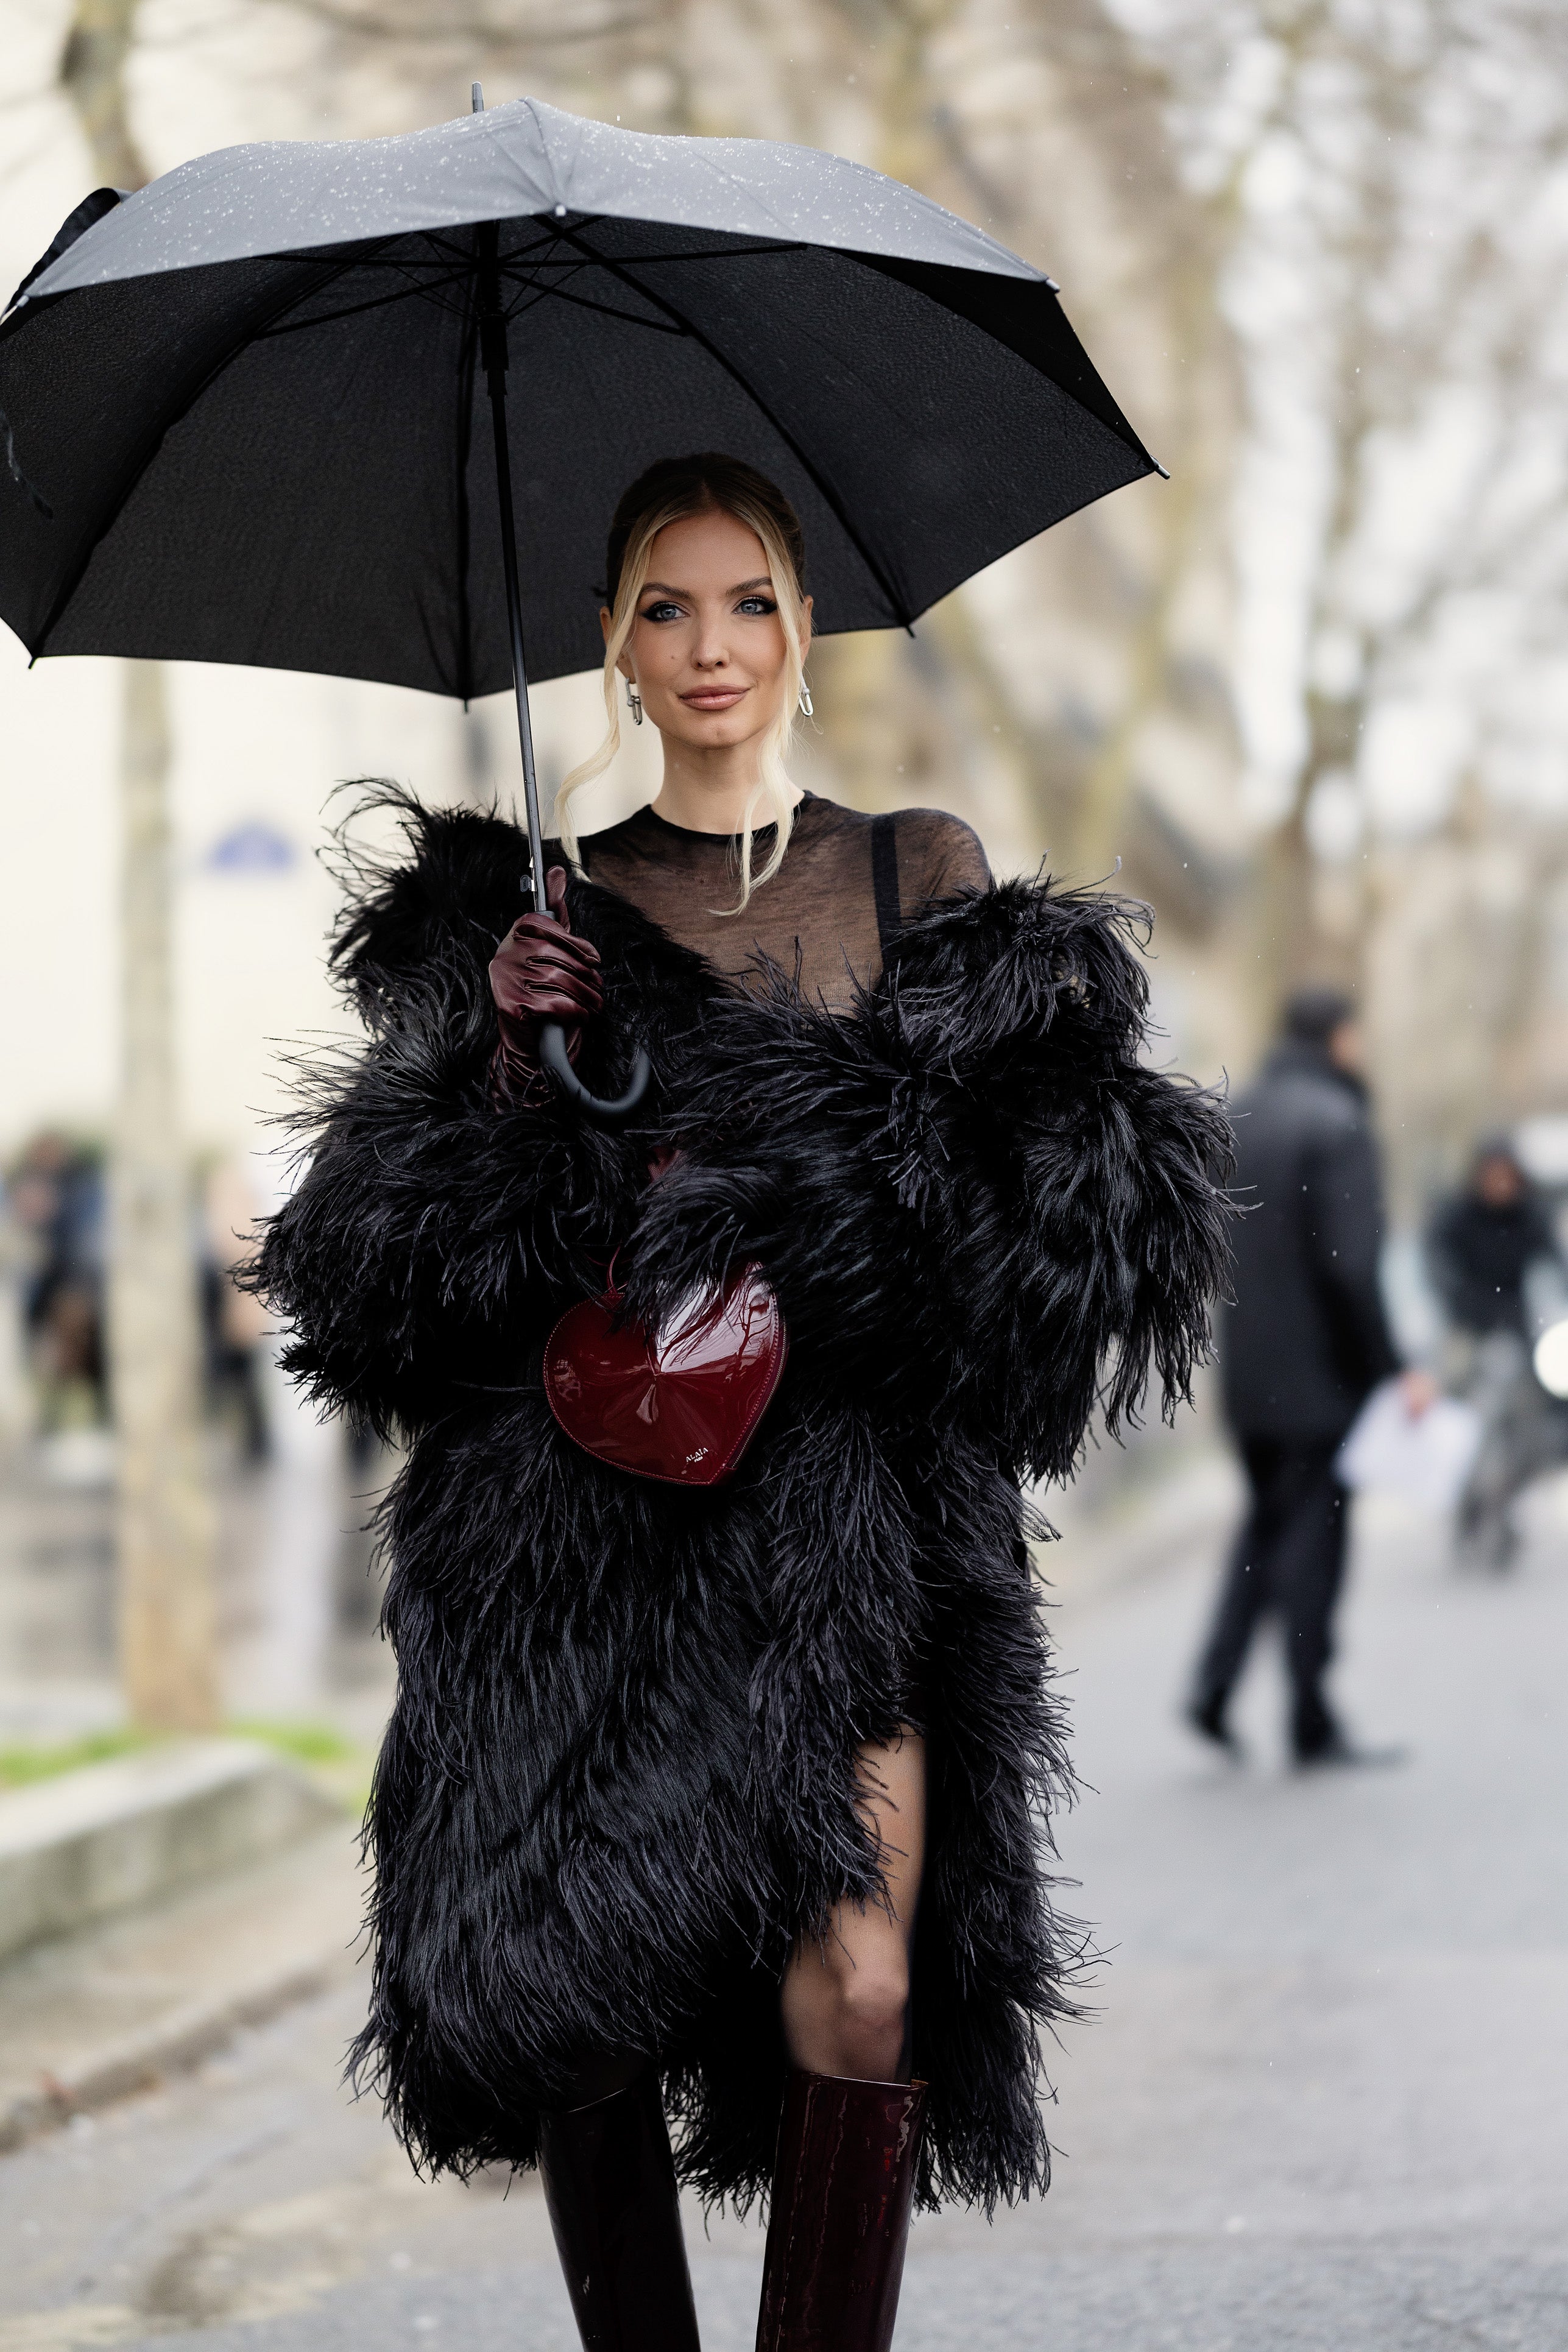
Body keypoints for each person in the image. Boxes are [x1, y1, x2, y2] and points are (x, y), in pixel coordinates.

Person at [255, 454, 1231, 2351]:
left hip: (853, 1546)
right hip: (599, 1550)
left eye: (749, 601)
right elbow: (367, 1285)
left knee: (859, 1992)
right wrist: (503, 1075)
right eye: (666, 606)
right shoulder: (543, 910)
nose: (712, 646)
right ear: (614, 645)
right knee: (583, 2006)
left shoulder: (917, 873)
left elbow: (1052, 1242)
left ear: (803, 627)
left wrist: (821, 1179)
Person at [1189, 986, 1432, 1768]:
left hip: (1247, 1376)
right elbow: (1352, 1267)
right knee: (1315, 1543)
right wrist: (1393, 1370)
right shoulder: (1338, 1122)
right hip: (1318, 1384)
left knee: (1266, 1527)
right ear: (1340, 1038)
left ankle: (1214, 1686)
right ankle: (1309, 1718)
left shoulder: (1235, 1118)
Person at [1427, 1136, 1568, 1567]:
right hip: (1467, 1329)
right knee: (1463, 1421)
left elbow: (1555, 1263)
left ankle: (1511, 1495)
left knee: (1537, 1419)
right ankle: (1466, 1499)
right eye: (1493, 1175)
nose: (1500, 1185)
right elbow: (1436, 1266)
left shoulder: (1530, 1215)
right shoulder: (1457, 1216)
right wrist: (1458, 1304)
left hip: (1518, 1330)